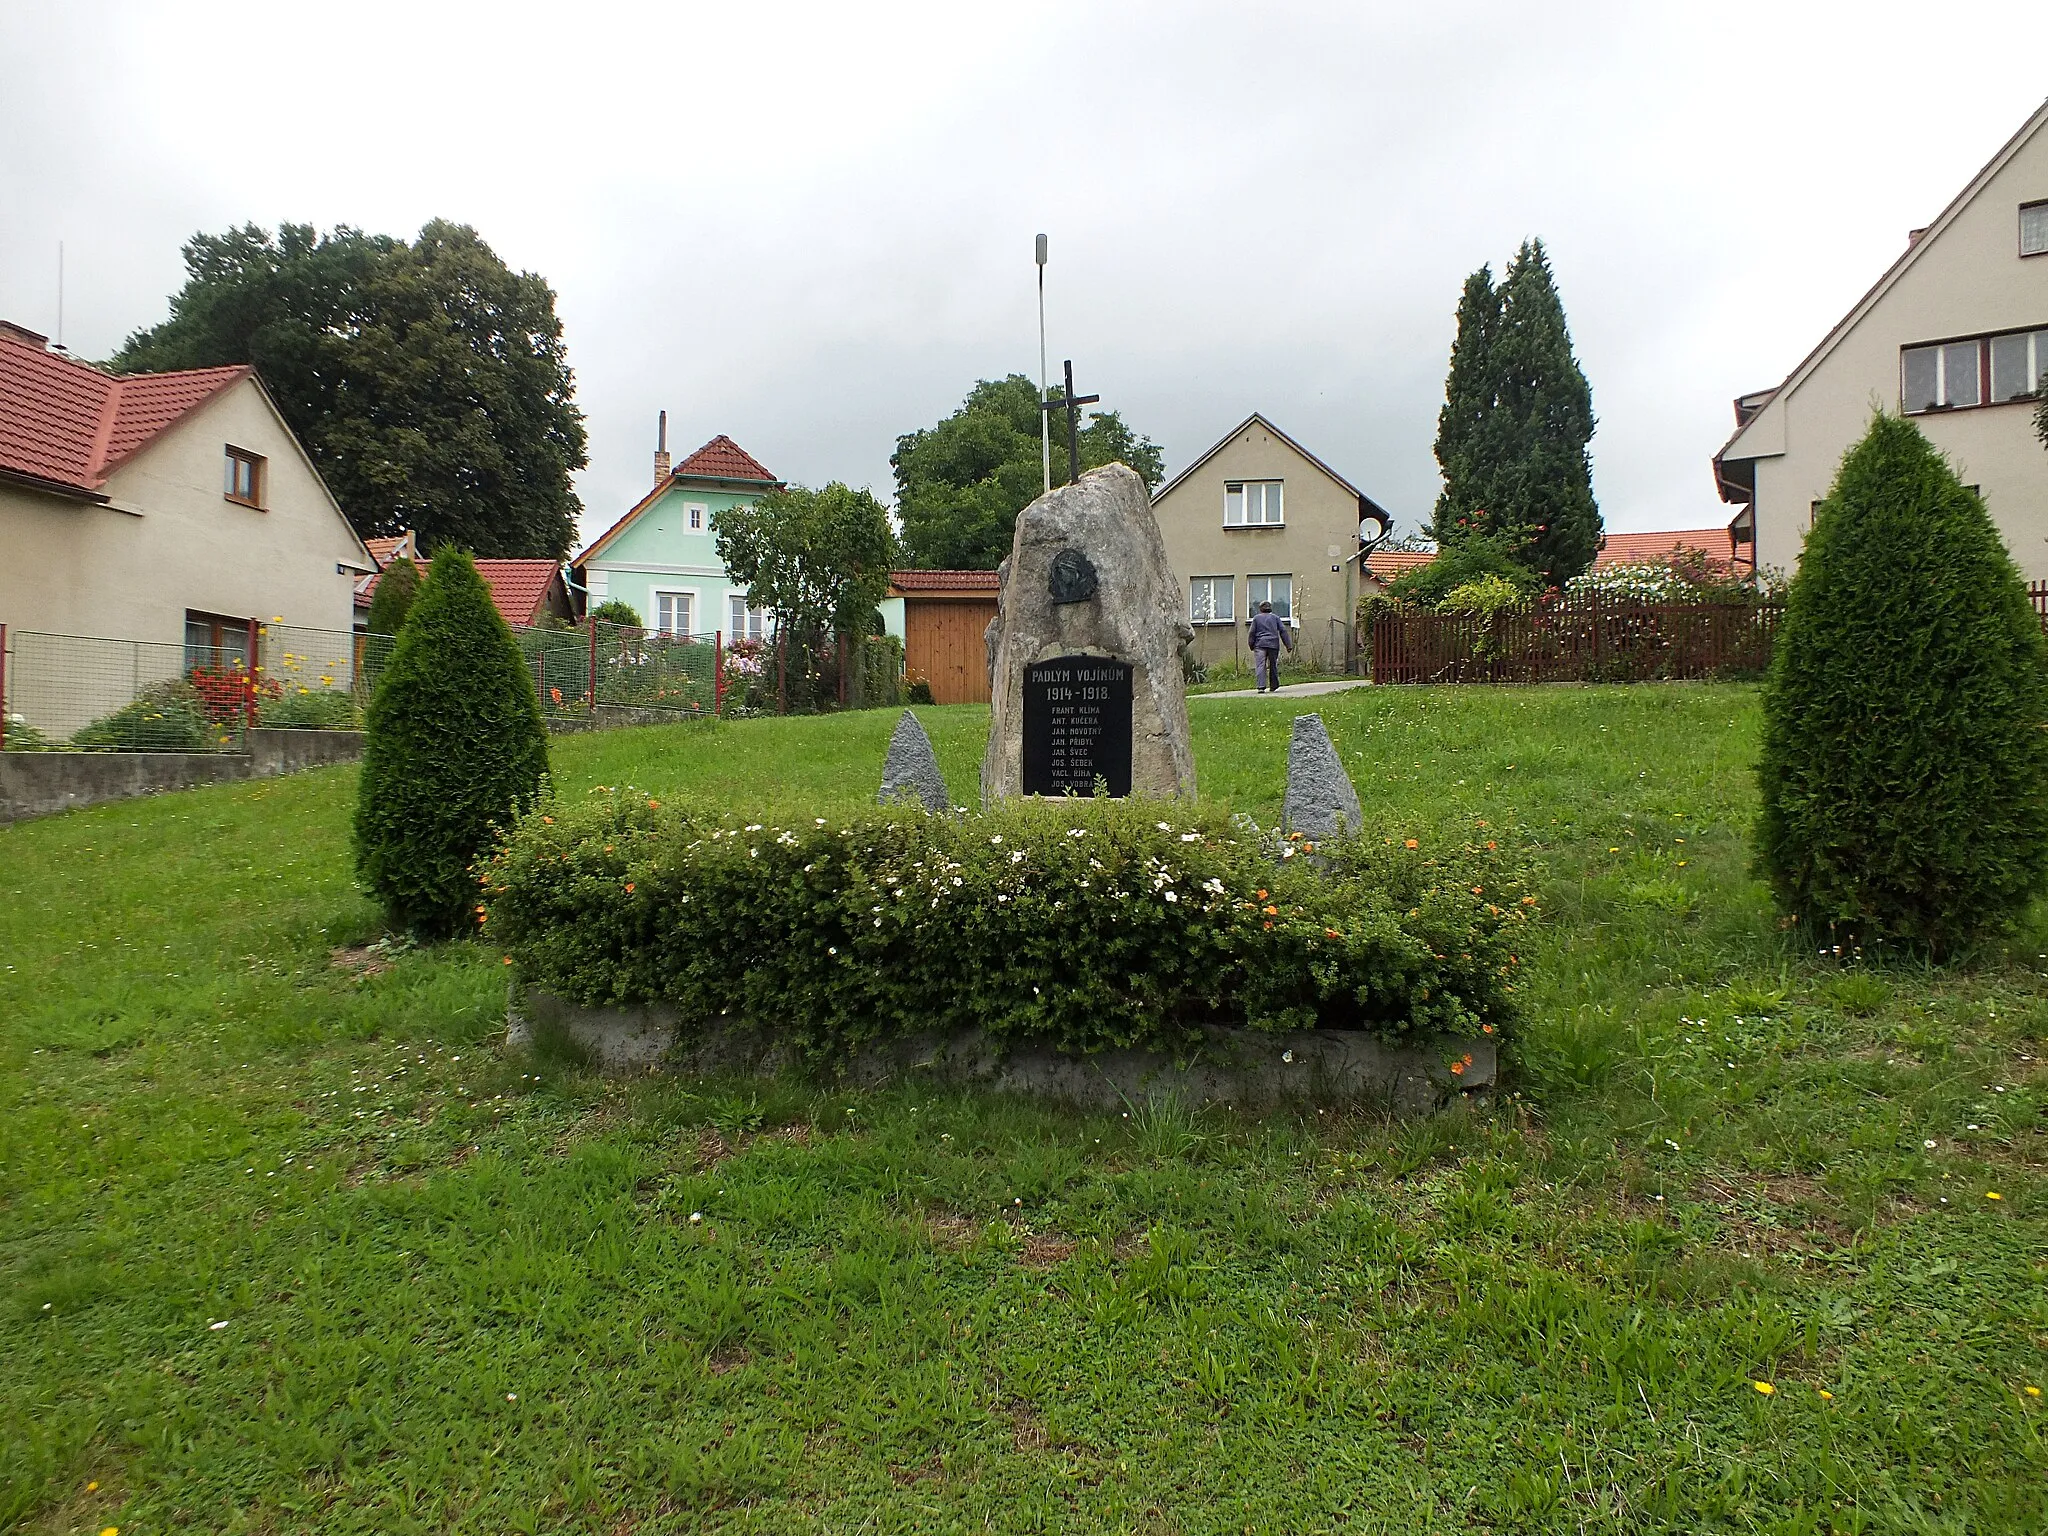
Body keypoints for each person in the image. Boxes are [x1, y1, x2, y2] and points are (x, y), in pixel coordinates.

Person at [1247, 600, 1293, 692]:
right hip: (1273, 644)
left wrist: (1251, 645)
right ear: (1270, 609)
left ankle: (1261, 686)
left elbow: (1251, 633)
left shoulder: (1256, 618)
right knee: (1273, 665)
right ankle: (1274, 685)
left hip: (1259, 645)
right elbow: (1283, 631)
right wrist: (1288, 645)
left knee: (1260, 665)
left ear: (1260, 609)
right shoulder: (1275, 618)